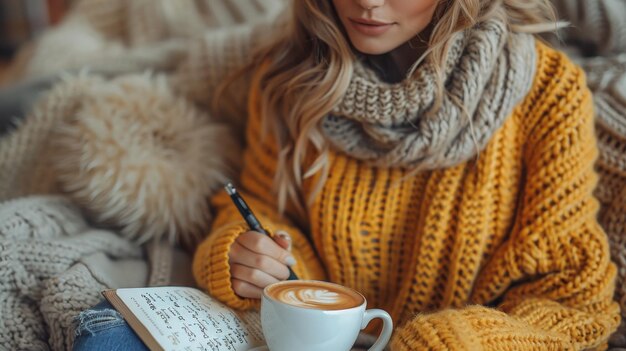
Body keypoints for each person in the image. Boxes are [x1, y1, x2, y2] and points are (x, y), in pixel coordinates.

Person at [75, 0, 621, 350]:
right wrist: (243, 258)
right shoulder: (291, 76)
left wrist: (456, 342)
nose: (366, 2)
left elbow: (575, 301)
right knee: (106, 336)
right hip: (303, 340)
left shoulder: (548, 93)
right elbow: (260, 211)